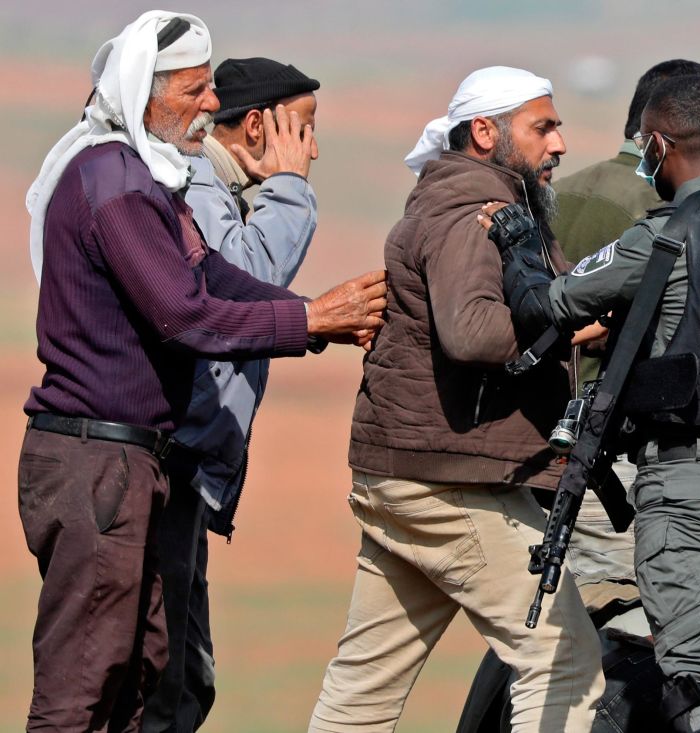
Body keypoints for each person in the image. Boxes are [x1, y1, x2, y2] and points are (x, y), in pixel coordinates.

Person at [17, 12, 386, 732]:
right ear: (144, 93)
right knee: (81, 689)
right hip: (96, 463)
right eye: (194, 89)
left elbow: (214, 276)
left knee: (144, 670)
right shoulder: (114, 181)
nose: (211, 104)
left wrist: (315, 315)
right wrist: (310, 320)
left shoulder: (146, 181)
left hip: (130, 464)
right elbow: (186, 314)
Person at [487, 74, 700, 733]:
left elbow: (543, 308)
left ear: (658, 144)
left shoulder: (661, 239)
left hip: (688, 490)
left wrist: (517, 241)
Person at [309, 66, 604, 733]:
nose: (559, 143)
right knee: (562, 655)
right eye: (543, 127)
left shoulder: (463, 198)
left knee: (363, 688)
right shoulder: (477, 210)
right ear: (483, 132)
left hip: (410, 466)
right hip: (448, 476)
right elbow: (471, 331)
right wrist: (575, 326)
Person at [142, 56, 323, 732]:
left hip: (184, 467)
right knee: (167, 679)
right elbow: (241, 285)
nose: (312, 149)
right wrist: (289, 189)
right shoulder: (194, 186)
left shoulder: (213, 189)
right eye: (302, 128)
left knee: (184, 676)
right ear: (256, 125)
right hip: (170, 462)